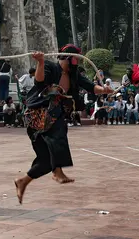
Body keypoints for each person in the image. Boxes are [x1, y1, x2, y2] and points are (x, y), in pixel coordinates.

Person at [14, 46, 112, 204]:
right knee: (59, 130)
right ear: (67, 58)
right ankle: (57, 171)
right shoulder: (50, 67)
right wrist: (40, 62)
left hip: (53, 116)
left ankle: (23, 181)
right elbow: (39, 82)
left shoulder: (74, 75)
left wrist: (104, 90)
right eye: (75, 58)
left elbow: (91, 86)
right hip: (37, 113)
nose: (77, 61)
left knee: (45, 161)